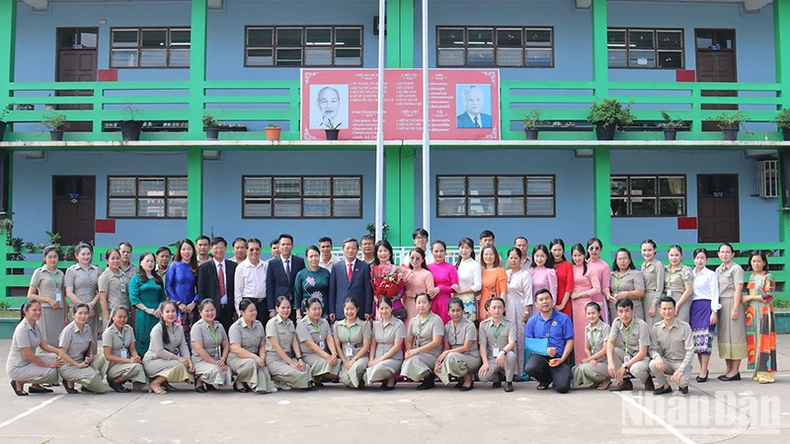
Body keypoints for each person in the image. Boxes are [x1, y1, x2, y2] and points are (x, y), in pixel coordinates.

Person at [6, 300, 64, 396]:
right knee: (52, 372)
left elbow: (45, 346)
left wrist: (61, 352)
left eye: (40, 310)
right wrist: (48, 364)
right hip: (18, 367)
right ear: (26, 311)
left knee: (55, 357)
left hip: (29, 362)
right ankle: (19, 382)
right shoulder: (22, 330)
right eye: (34, 310)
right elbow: (28, 355)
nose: (38, 312)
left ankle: (35, 386)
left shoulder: (35, 325)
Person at [524, 290, 573, 393]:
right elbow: (529, 343)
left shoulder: (564, 318)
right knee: (530, 368)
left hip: (559, 358)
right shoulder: (532, 321)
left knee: (563, 388)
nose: (544, 302)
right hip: (540, 357)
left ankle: (557, 377)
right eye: (541, 300)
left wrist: (562, 359)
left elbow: (570, 341)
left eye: (547, 298)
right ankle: (545, 380)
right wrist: (545, 350)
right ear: (536, 304)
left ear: (552, 300)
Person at [143, 301, 195, 395]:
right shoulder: (157, 329)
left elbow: (183, 346)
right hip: (153, 361)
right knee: (180, 365)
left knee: (187, 364)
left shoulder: (179, 327)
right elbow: (160, 352)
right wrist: (180, 358)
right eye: (167, 312)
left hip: (167, 361)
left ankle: (164, 382)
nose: (171, 314)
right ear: (162, 314)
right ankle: (155, 383)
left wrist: (189, 360)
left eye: (173, 311)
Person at [227, 299, 276, 394]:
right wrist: (256, 357)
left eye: (255, 310)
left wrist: (262, 358)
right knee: (253, 363)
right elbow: (236, 349)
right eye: (251, 311)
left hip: (254, 358)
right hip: (236, 358)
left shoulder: (259, 325)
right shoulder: (235, 327)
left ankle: (262, 387)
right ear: (242, 312)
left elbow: (262, 344)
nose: (254, 313)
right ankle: (239, 381)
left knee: (263, 367)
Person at [606, 298, 653, 392]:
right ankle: (625, 382)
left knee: (635, 369)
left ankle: (647, 378)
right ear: (617, 312)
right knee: (612, 350)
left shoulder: (641, 325)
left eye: (627, 311)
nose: (624, 315)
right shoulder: (617, 322)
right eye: (621, 311)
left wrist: (624, 366)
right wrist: (610, 362)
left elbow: (643, 352)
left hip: (642, 357)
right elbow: (610, 342)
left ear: (633, 311)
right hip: (628, 354)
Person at [649, 297, 694, 395]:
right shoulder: (656, 328)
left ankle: (682, 385)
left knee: (682, 382)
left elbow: (690, 350)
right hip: (667, 362)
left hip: (682, 362)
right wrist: (657, 357)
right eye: (664, 309)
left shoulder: (685, 327)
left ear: (675, 309)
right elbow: (652, 348)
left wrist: (681, 369)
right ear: (659, 311)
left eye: (670, 308)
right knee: (653, 363)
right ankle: (665, 386)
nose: (667, 311)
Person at [744, 250, 777, 384]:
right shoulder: (751, 276)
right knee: (754, 342)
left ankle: (767, 373)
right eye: (753, 261)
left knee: (765, 342)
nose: (756, 264)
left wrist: (751, 297)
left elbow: (769, 295)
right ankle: (758, 370)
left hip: (764, 311)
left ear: (764, 262)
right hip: (752, 312)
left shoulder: (768, 276)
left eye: (758, 261)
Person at [715, 242, 746, 381]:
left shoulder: (736, 269)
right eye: (722, 252)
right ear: (718, 254)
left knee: (735, 336)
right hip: (721, 304)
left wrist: (735, 308)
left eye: (727, 252)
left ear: (733, 254)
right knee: (725, 337)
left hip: (733, 303)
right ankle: (728, 370)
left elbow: (738, 289)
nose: (724, 254)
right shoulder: (718, 270)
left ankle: (735, 371)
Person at [265, 296, 311, 390]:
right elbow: (276, 346)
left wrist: (299, 359)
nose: (286, 310)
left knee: (306, 368)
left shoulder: (290, 322)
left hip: (287, 357)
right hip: (274, 359)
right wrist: (291, 363)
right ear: (277, 308)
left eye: (288, 307)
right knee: (297, 373)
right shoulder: (272, 323)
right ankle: (273, 378)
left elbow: (294, 342)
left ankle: (285, 381)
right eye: (283, 308)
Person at [96, 306, 146, 393]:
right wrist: (128, 361)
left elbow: (132, 349)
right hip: (113, 365)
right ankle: (115, 382)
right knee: (136, 368)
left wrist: (136, 357)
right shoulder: (108, 333)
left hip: (126, 363)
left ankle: (124, 379)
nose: (122, 319)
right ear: (113, 317)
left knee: (142, 364)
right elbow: (108, 356)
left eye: (125, 317)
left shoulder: (129, 329)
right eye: (119, 317)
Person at [58, 303, 105, 394]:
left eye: (86, 313)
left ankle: (85, 384)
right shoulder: (68, 330)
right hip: (68, 366)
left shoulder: (87, 328)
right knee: (99, 385)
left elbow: (90, 345)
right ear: (73, 315)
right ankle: (68, 380)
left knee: (104, 358)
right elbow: (62, 353)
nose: (83, 316)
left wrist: (89, 356)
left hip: (82, 362)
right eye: (80, 313)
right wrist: (78, 365)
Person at [435, 297, 481, 391]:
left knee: (450, 357)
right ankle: (460, 378)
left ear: (462, 311)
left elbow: (466, 347)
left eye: (458, 310)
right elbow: (446, 348)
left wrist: (447, 352)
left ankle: (468, 379)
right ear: (448, 312)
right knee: (440, 363)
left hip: (471, 357)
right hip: (455, 356)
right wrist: (439, 362)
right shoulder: (447, 326)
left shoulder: (469, 325)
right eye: (453, 310)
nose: (455, 313)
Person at [401, 292, 444, 390]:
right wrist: (409, 352)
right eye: (418, 303)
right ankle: (424, 377)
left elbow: (436, 342)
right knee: (408, 360)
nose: (421, 305)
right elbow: (409, 340)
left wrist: (416, 351)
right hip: (418, 354)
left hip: (432, 354)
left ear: (430, 304)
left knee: (414, 360)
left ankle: (429, 377)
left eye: (424, 302)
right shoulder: (413, 321)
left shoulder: (436, 320)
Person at [689, 248, 720, 383]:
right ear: (693, 259)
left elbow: (715, 293)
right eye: (697, 258)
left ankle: (703, 371)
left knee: (706, 340)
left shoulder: (711, 274)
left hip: (707, 307)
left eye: (702, 258)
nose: (699, 260)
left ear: (706, 260)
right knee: (697, 342)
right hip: (694, 308)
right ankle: (703, 369)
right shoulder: (690, 273)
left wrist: (714, 311)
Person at [570, 243, 602, 364]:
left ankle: (590, 362)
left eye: (579, 255)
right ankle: (578, 363)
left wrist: (580, 294)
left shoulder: (589, 269)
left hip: (585, 304)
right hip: (573, 305)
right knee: (576, 335)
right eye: (574, 255)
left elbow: (597, 288)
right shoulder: (571, 268)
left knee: (586, 333)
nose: (577, 258)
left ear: (584, 255)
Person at [296, 297, 340, 387]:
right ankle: (312, 375)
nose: (317, 312)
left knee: (337, 362)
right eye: (314, 309)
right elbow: (311, 345)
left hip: (323, 354)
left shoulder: (324, 322)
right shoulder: (302, 325)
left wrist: (334, 354)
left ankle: (316, 378)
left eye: (319, 309)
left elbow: (329, 338)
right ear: (307, 310)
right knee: (332, 367)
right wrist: (328, 357)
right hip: (309, 356)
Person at [64, 243, 101, 350]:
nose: (86, 257)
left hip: (93, 309)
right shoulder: (71, 271)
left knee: (92, 337)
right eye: (83, 254)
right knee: (76, 337)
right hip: (77, 309)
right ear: (76, 256)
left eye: (88, 254)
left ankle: (92, 361)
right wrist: (85, 307)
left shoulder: (96, 270)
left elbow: (100, 290)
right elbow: (69, 293)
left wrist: (92, 304)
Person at [27, 245, 66, 346]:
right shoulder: (39, 273)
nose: (52, 259)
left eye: (55, 257)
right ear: (45, 258)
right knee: (46, 340)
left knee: (60, 340)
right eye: (50, 257)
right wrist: (48, 300)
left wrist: (65, 314)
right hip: (45, 310)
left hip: (59, 310)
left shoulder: (61, 274)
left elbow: (62, 295)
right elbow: (30, 295)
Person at [365, 297, 406, 390]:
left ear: (392, 308)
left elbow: (396, 347)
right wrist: (371, 359)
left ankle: (391, 379)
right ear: (378, 309)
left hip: (393, 358)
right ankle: (384, 378)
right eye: (381, 308)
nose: (384, 311)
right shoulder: (376, 324)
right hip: (378, 357)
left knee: (379, 367)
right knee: (366, 372)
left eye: (387, 308)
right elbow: (373, 344)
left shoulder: (399, 324)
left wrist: (379, 360)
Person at [129, 253, 167, 356]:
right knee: (142, 336)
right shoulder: (136, 278)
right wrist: (146, 309)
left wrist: (160, 308)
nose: (150, 263)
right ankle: (141, 359)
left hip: (157, 313)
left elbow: (162, 297)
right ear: (141, 263)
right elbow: (134, 299)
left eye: (152, 261)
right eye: (147, 261)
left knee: (156, 336)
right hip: (142, 313)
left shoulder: (158, 279)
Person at [191, 300, 232, 393]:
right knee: (216, 370)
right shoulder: (197, 327)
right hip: (201, 361)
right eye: (207, 311)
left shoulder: (219, 325)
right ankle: (199, 381)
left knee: (227, 370)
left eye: (212, 310)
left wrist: (222, 360)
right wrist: (215, 363)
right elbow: (199, 349)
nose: (210, 313)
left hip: (216, 360)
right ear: (200, 312)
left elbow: (226, 345)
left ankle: (209, 382)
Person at [328, 238, 373, 322]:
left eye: (353, 248)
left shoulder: (365, 267)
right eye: (348, 248)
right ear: (343, 250)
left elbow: (368, 290)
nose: (350, 251)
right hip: (340, 310)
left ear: (357, 250)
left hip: (360, 310)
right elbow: (332, 291)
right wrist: (332, 310)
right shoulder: (336, 267)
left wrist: (367, 310)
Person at [478, 297, 518, 392]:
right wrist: (485, 363)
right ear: (489, 309)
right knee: (482, 377)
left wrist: (503, 352)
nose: (497, 310)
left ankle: (508, 381)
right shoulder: (483, 325)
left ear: (504, 309)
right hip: (492, 358)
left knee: (511, 355)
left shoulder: (510, 323)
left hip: (505, 356)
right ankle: (497, 378)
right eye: (494, 307)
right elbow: (482, 345)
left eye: (500, 307)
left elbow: (512, 342)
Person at [198, 237, 237, 332]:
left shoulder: (233, 266)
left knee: (228, 338)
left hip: (229, 310)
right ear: (211, 248)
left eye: (221, 248)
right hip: (211, 310)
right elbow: (201, 290)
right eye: (216, 248)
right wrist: (204, 310)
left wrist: (236, 309)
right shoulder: (204, 268)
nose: (219, 250)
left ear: (225, 248)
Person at [333, 298, 372, 389]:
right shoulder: (337, 325)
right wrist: (345, 361)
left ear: (357, 309)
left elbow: (366, 346)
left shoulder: (364, 324)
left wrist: (354, 360)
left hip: (360, 357)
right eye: (347, 309)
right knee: (344, 378)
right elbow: (337, 346)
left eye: (352, 309)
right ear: (343, 309)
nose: (349, 312)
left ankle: (360, 379)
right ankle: (356, 381)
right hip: (346, 358)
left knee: (355, 368)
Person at [571, 302, 611, 389]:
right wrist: (590, 359)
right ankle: (597, 380)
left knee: (582, 369)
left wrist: (589, 359)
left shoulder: (605, 327)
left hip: (605, 362)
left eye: (593, 313)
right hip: (594, 361)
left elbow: (605, 350)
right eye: (588, 313)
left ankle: (606, 379)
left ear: (599, 313)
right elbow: (586, 348)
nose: (591, 316)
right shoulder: (587, 328)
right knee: (575, 368)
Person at [166, 239, 199, 343]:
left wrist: (194, 302)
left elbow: (200, 288)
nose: (186, 252)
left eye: (189, 249)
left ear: (193, 251)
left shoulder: (196, 267)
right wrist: (178, 303)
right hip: (177, 307)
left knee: (192, 336)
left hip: (191, 307)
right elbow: (168, 286)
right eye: (184, 249)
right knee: (177, 336)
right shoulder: (174, 266)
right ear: (179, 251)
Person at [505, 248, 532, 376]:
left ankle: (522, 371)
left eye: (516, 258)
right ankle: (510, 371)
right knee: (509, 337)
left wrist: (526, 312)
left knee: (520, 337)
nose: (513, 260)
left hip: (520, 308)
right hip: (507, 308)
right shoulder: (505, 274)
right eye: (511, 258)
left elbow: (528, 294)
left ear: (521, 259)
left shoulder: (525, 274)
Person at [266, 234, 305, 321]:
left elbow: (302, 283)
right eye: (283, 244)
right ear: (279, 246)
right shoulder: (272, 263)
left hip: (295, 303)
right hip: (280, 304)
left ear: (292, 246)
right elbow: (270, 286)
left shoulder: (299, 261)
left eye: (288, 244)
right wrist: (271, 308)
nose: (285, 247)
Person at [234, 238, 269, 324]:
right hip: (247, 304)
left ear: (260, 250)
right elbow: (238, 291)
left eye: (257, 249)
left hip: (263, 304)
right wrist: (240, 311)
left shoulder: (266, 266)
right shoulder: (241, 267)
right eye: (251, 249)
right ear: (246, 250)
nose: (254, 251)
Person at [371, 240, 406, 319]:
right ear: (376, 254)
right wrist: (376, 299)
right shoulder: (373, 270)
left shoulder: (397, 269)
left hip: (394, 304)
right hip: (379, 305)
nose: (383, 253)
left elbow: (402, 286)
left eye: (385, 250)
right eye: (380, 251)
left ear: (390, 253)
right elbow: (370, 287)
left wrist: (398, 296)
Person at [294, 245, 331, 320]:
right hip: (306, 311)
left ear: (319, 256)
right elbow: (297, 296)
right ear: (307, 258)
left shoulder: (326, 273)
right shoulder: (301, 274)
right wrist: (298, 316)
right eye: (311, 256)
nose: (314, 259)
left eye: (316, 256)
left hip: (323, 311)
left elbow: (330, 294)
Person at [610, 248, 646, 322]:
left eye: (625, 259)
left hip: (633, 309)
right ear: (616, 261)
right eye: (619, 259)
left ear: (629, 260)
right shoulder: (612, 274)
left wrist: (626, 294)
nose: (622, 261)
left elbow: (641, 292)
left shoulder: (636, 274)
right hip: (615, 309)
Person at [403, 247, 436, 327]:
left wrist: (415, 295)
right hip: (406, 305)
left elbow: (431, 294)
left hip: (421, 306)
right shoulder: (405, 273)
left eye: (417, 258)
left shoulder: (427, 274)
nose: (414, 261)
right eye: (412, 258)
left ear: (423, 260)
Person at [427, 240, 458, 324]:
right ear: (432, 252)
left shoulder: (451, 268)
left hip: (445, 302)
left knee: (445, 326)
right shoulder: (428, 268)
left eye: (441, 251)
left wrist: (440, 288)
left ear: (445, 252)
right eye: (436, 251)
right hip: (431, 301)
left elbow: (455, 288)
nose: (439, 254)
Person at [452, 237, 481, 322]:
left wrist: (461, 291)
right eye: (462, 247)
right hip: (455, 300)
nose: (464, 250)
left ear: (471, 250)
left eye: (467, 248)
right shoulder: (455, 265)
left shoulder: (475, 265)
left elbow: (478, 286)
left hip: (468, 300)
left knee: (467, 326)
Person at [664, 245, 694, 323]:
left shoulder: (685, 270)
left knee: (680, 326)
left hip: (681, 301)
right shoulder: (664, 269)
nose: (674, 258)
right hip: (667, 302)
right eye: (671, 255)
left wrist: (677, 305)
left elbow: (689, 290)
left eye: (676, 255)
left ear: (681, 256)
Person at [586, 238, 612, 323]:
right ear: (587, 249)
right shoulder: (583, 264)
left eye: (597, 248)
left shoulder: (604, 266)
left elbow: (605, 287)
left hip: (598, 298)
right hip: (584, 298)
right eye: (591, 248)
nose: (594, 250)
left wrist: (608, 295)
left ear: (601, 249)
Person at [479, 245, 507, 324]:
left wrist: (501, 308)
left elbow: (503, 292)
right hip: (483, 307)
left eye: (491, 254)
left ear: (495, 256)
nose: (488, 257)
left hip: (496, 306)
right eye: (486, 254)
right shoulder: (480, 271)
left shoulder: (500, 271)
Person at [641, 239, 665, 326]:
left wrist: (654, 304)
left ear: (655, 250)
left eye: (649, 250)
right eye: (644, 250)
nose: (646, 253)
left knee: (653, 326)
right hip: (643, 298)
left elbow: (660, 287)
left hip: (653, 297)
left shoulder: (658, 265)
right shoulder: (643, 265)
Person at [528, 244, 557, 316]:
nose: (539, 259)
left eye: (542, 256)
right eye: (537, 256)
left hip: (546, 306)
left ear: (546, 257)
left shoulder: (550, 272)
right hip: (533, 306)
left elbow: (553, 291)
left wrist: (552, 306)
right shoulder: (529, 272)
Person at [550, 239, 573, 319]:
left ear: (563, 250)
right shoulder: (547, 266)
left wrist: (562, 305)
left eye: (559, 250)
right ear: (550, 250)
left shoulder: (568, 265)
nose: (557, 253)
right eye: (555, 250)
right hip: (549, 302)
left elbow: (569, 286)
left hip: (564, 302)